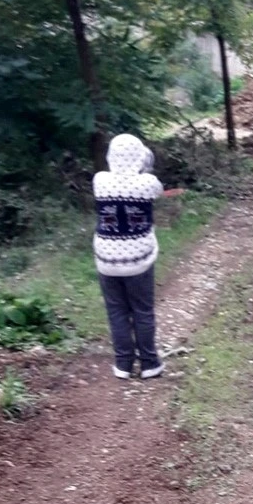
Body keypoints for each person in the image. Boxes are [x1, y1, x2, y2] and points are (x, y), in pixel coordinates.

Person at [93, 133, 168, 380]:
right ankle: (149, 363)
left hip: (106, 259)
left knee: (116, 311)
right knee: (142, 311)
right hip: (138, 260)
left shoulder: (100, 180)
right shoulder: (147, 183)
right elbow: (158, 189)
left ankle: (123, 364)